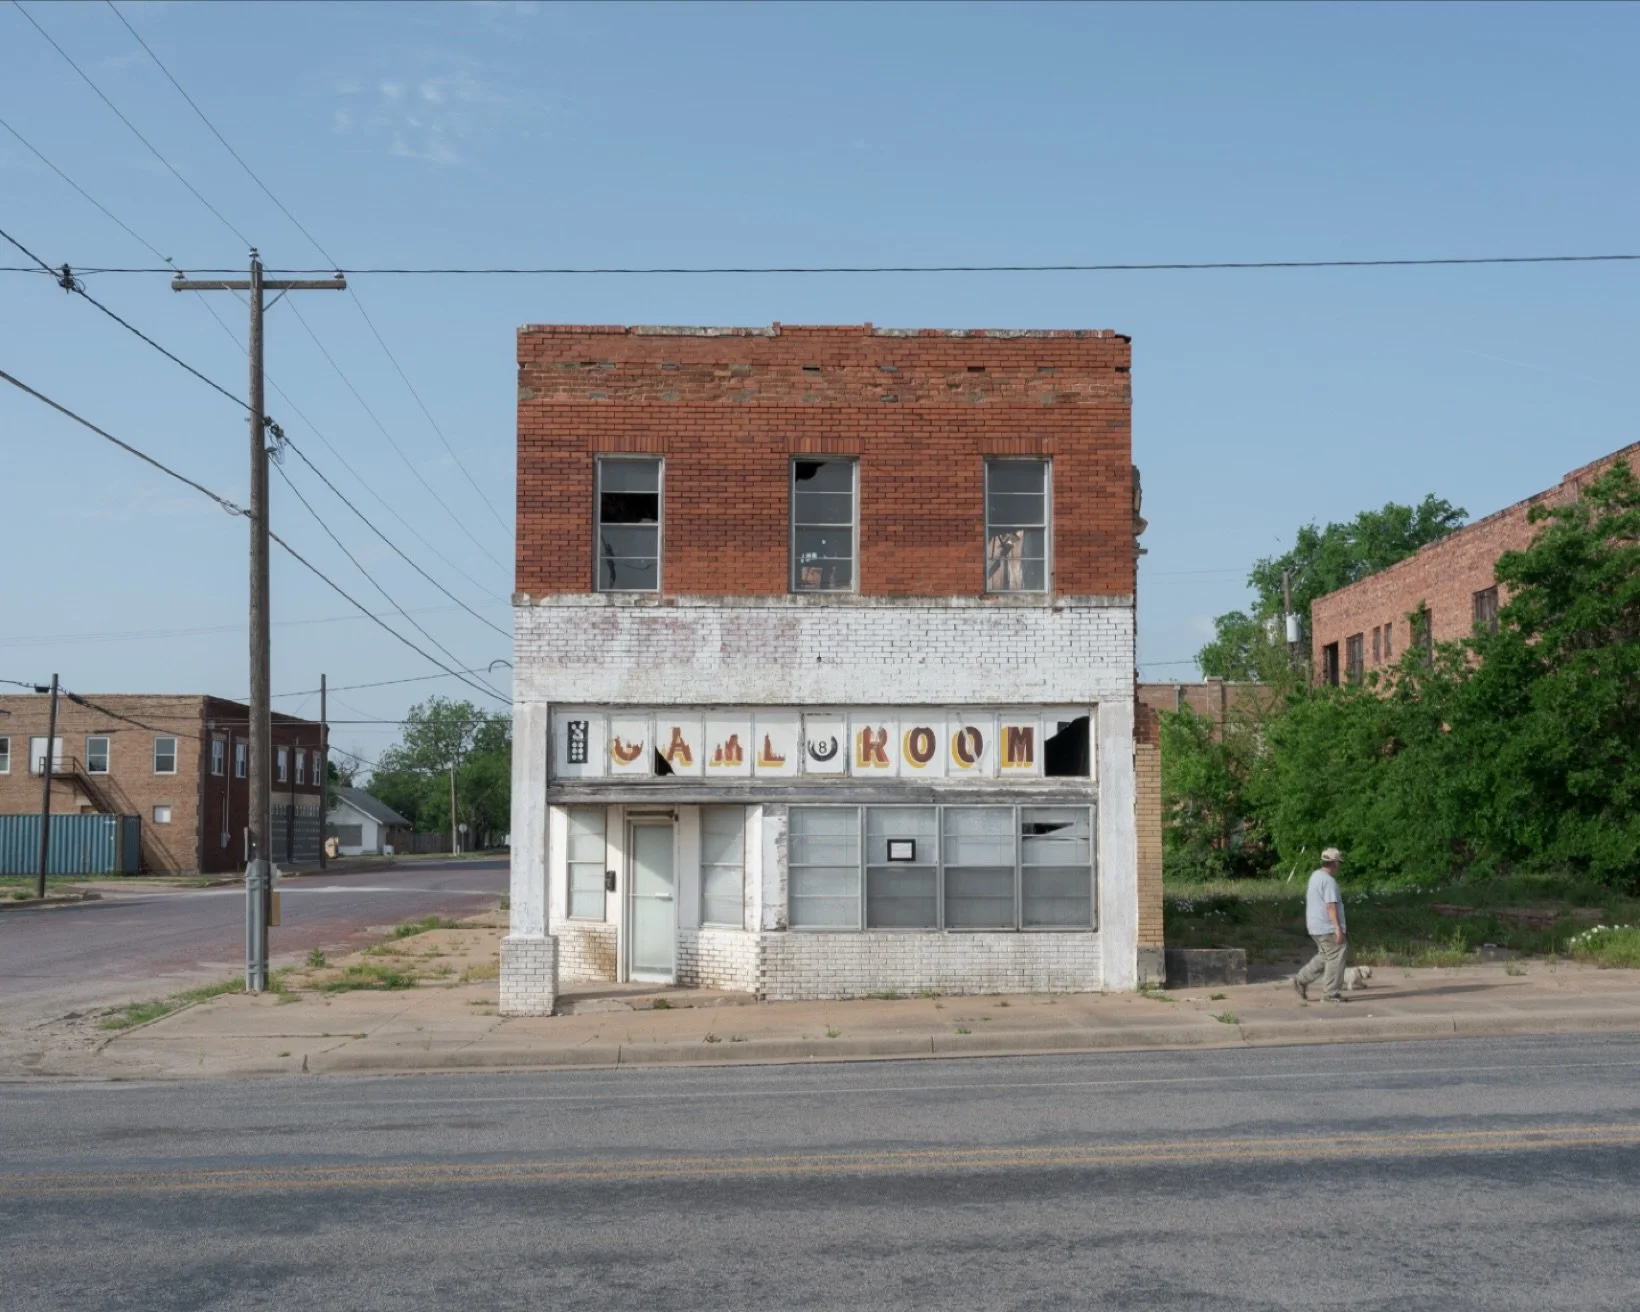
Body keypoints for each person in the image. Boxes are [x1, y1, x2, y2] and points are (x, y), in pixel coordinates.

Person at [1293, 847, 1349, 1003]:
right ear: (1334, 863)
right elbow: (1330, 906)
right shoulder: (1329, 881)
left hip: (1315, 925)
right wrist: (1338, 928)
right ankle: (1330, 993)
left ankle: (1301, 980)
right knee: (1337, 955)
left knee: (1325, 956)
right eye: (1339, 863)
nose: (1339, 866)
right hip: (1327, 927)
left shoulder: (1315, 876)